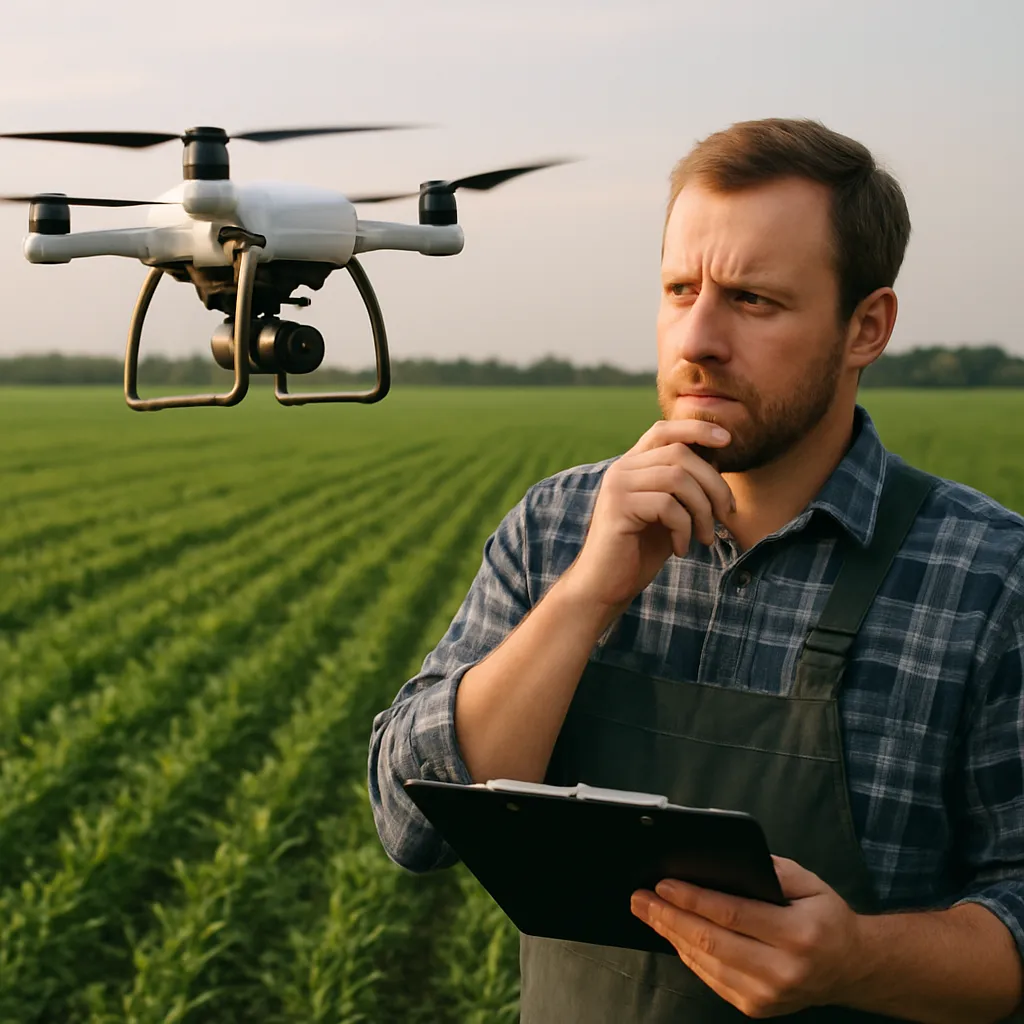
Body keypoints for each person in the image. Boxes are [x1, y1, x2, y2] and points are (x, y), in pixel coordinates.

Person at [366, 117, 1024, 1022]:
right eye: (680, 290)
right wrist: (587, 593)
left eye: (753, 300)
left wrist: (860, 960)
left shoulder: (989, 578)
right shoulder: (560, 526)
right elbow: (413, 826)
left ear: (866, 326)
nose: (698, 339)